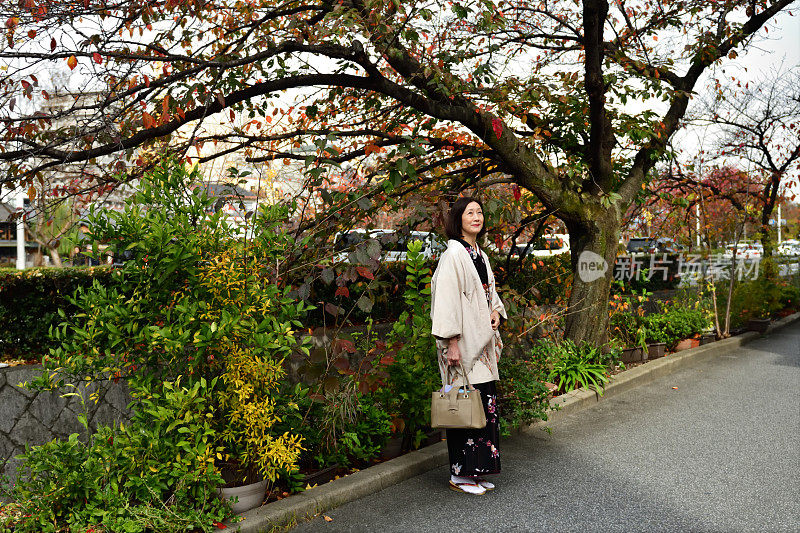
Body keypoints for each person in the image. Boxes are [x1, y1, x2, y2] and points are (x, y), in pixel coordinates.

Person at [430, 196, 506, 495]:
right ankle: (460, 475)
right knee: (460, 407)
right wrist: (451, 342)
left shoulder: (479, 254)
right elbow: (446, 299)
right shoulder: (454, 254)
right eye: (469, 212)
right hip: (460, 344)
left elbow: (490, 294)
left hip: (481, 343)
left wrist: (496, 312)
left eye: (480, 212)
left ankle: (477, 473)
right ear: (458, 219)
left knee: (482, 405)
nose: (476, 216)